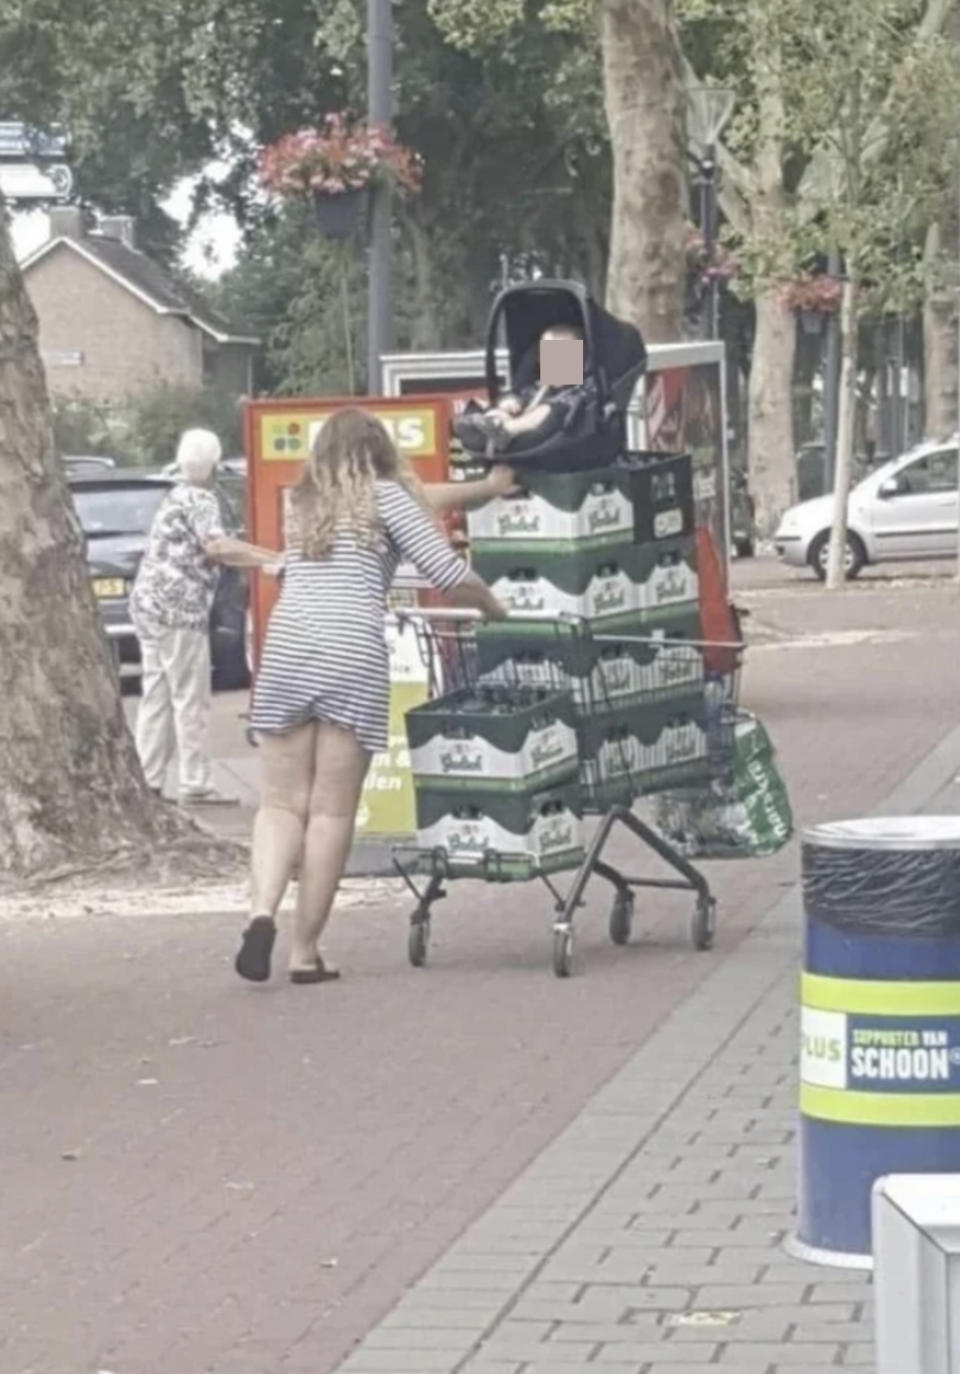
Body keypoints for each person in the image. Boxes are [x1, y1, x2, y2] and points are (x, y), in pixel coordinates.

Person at [234, 407, 507, 986]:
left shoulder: (303, 502)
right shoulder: (387, 498)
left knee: (280, 803)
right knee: (331, 811)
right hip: (350, 651)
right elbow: (444, 569)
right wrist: (492, 606)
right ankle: (304, 953)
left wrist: (482, 487)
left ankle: (261, 914)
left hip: (287, 646)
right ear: (381, 451)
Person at [130, 428, 282, 806]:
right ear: (214, 463)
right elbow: (217, 546)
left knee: (157, 693)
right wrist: (271, 560)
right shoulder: (201, 499)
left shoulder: (175, 496)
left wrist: (262, 554)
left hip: (149, 605)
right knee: (190, 698)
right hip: (180, 610)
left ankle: (148, 777)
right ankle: (195, 781)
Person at [453, 323, 595, 455]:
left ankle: (503, 430)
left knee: (550, 410)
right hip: (519, 429)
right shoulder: (537, 387)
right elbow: (519, 396)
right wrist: (509, 403)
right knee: (497, 406)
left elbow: (575, 408)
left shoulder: (580, 390)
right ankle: (485, 425)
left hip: (555, 435)